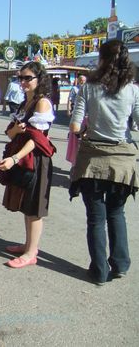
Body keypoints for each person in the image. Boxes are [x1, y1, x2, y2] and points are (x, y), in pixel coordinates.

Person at [69, 40, 139, 286]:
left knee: (95, 218)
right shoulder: (133, 90)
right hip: (122, 161)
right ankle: (120, 264)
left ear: (101, 59)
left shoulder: (89, 88)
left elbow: (75, 125)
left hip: (92, 161)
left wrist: (86, 130)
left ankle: (99, 271)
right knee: (117, 213)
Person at [0, 61, 56, 269]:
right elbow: (10, 132)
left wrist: (15, 158)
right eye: (20, 78)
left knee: (34, 208)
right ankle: (28, 245)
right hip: (24, 157)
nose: (23, 82)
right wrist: (18, 132)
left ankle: (31, 252)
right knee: (26, 205)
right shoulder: (25, 103)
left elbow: (37, 139)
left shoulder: (42, 103)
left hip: (36, 160)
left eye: (27, 78)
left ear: (39, 79)